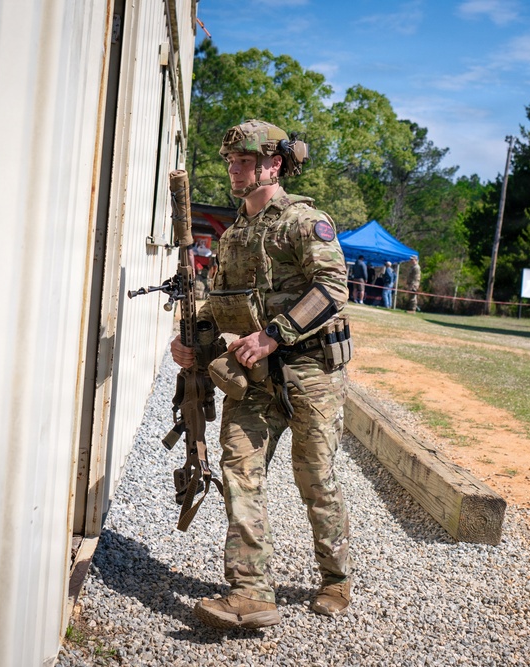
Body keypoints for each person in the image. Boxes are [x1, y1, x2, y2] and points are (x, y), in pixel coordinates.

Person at [171, 119, 354, 629]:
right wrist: (192, 344)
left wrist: (274, 333)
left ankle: (336, 578)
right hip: (254, 379)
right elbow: (217, 309)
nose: (234, 170)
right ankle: (251, 592)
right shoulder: (232, 238)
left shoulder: (302, 222)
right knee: (239, 472)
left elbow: (334, 288)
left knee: (315, 478)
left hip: (311, 371)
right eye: (230, 162)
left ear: (274, 164)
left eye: (244, 161)